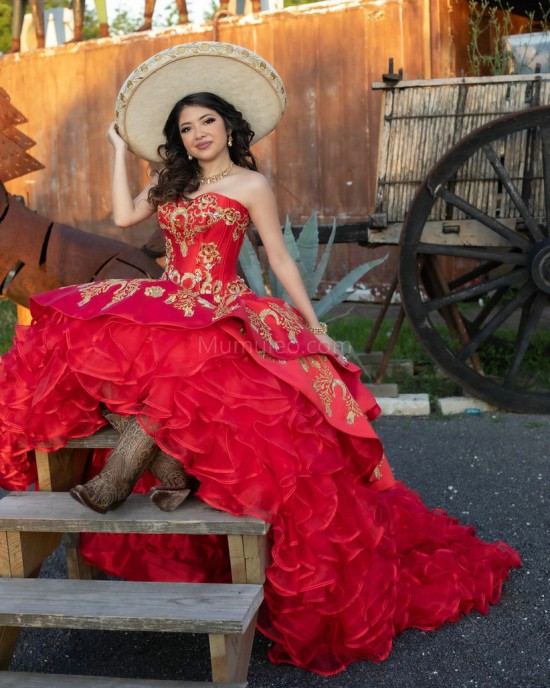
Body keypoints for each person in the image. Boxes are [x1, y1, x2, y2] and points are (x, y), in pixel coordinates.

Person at [0, 42, 521, 675]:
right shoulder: (176, 182)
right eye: (185, 129)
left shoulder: (251, 184)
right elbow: (120, 214)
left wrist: (311, 321)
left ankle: (134, 469)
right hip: (174, 302)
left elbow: (276, 258)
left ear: (229, 126)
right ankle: (165, 469)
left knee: (193, 360)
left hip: (224, 306)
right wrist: (116, 150)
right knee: (98, 333)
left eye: (206, 123)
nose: (196, 136)